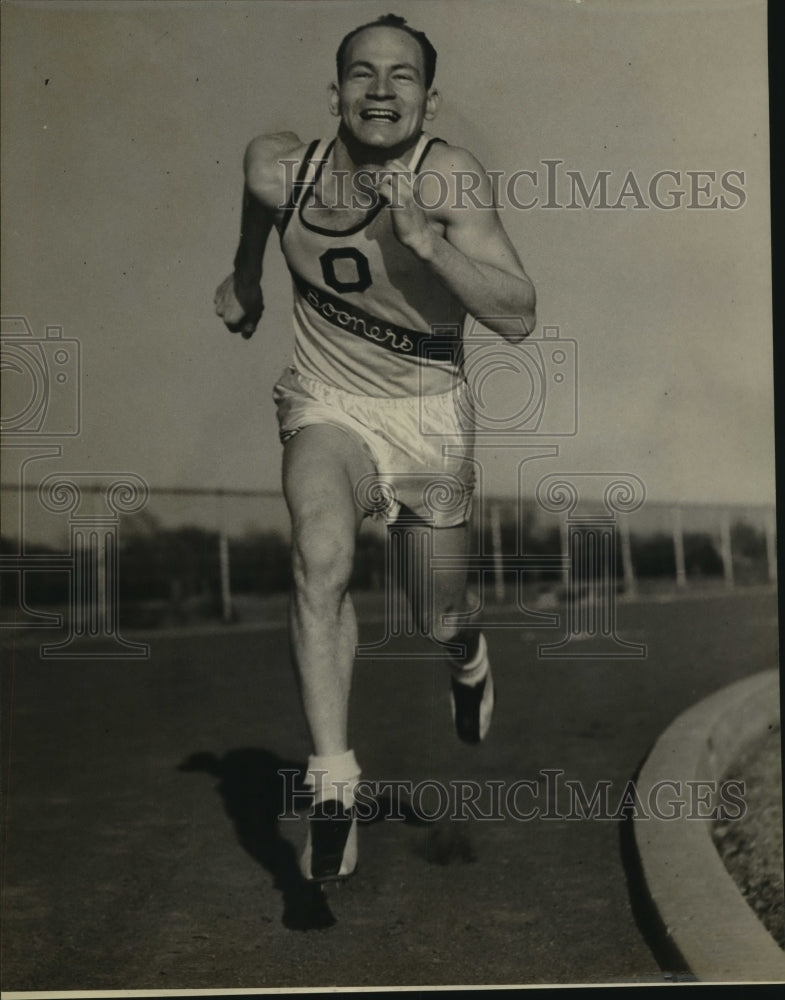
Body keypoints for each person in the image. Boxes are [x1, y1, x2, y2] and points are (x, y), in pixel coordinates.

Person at [215, 12, 536, 884]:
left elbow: (516, 312)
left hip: (428, 412)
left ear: (429, 101)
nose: (381, 89)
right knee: (319, 555)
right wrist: (246, 276)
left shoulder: (449, 180)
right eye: (363, 73)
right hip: (327, 401)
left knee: (434, 607)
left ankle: (464, 652)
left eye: (402, 77)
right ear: (336, 92)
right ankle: (334, 781)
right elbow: (257, 199)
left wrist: (429, 242)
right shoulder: (284, 166)